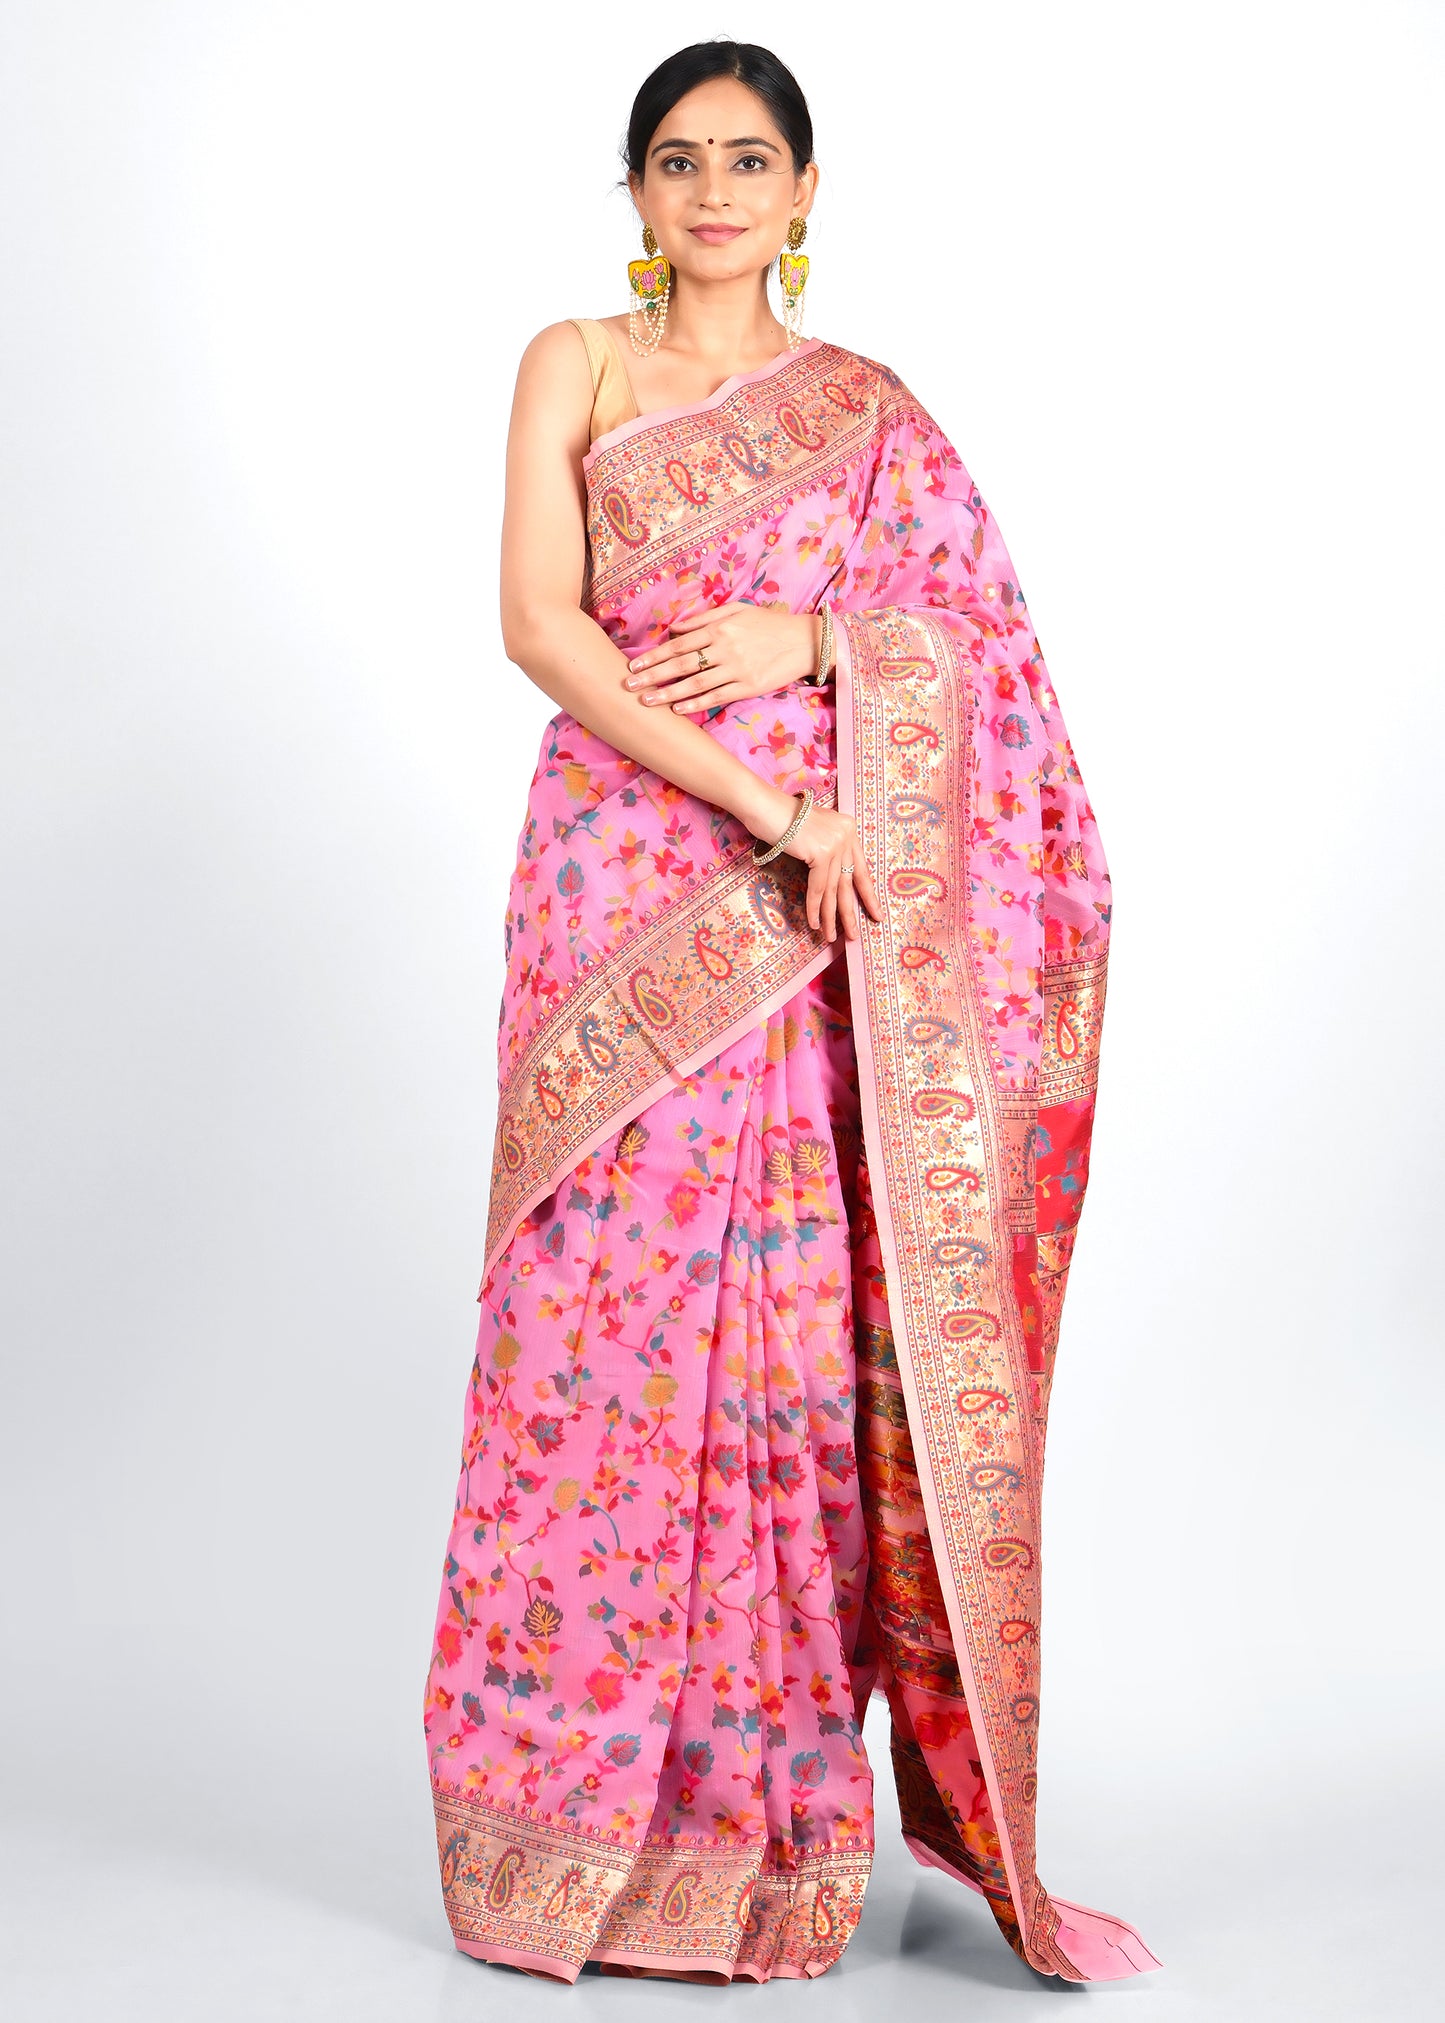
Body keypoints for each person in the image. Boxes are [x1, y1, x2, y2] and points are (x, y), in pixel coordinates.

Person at [422, 37, 1159, 1988]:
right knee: (589, 1331)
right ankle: (555, 1826)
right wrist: (771, 795)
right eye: (681, 159)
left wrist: (822, 641)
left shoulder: (869, 416)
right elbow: (539, 621)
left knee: (777, 1346)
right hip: (631, 885)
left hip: (813, 925)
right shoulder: (572, 362)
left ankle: (758, 1832)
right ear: (637, 191)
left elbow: (989, 654)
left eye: (753, 158)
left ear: (807, 193)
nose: (717, 188)